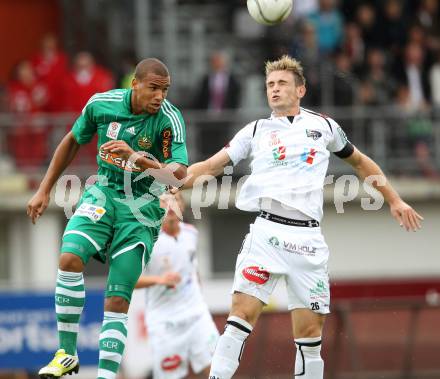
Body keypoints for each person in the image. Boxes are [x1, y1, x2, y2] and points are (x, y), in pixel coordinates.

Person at [178, 55, 423, 379]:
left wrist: (395, 200)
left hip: (308, 241)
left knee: (309, 338)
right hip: (267, 234)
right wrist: (171, 183)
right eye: (270, 85)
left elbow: (361, 163)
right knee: (240, 317)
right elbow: (210, 167)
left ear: (301, 90)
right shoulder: (255, 130)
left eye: (281, 83)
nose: (274, 89)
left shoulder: (324, 127)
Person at [27, 58, 188, 379]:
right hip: (102, 193)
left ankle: (105, 376)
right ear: (136, 84)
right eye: (154, 88)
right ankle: (66, 353)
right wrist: (45, 189)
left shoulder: (169, 119)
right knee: (70, 257)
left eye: (165, 90)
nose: (160, 96)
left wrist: (136, 158)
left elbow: (178, 175)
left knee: (117, 299)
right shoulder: (102, 105)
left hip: (142, 209)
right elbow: (73, 139)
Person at [133, 193, 219, 379]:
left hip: (196, 314)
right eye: (164, 201)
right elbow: (126, 281)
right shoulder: (146, 239)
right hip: (164, 321)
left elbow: (192, 268)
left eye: (176, 200)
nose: (171, 205)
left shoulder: (191, 233)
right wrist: (160, 280)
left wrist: (198, 294)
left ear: (183, 206)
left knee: (216, 370)